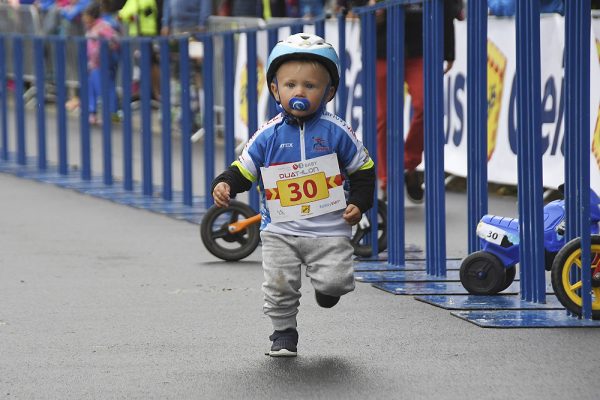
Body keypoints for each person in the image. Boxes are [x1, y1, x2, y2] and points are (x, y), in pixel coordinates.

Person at [211, 33, 375, 357]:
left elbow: (363, 170)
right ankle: (283, 333)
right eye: (290, 85)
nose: (299, 92)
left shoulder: (336, 131)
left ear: (329, 92)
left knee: (336, 283)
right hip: (280, 229)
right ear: (275, 89)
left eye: (310, 86)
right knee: (279, 285)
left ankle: (327, 287)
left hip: (329, 228)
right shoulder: (267, 134)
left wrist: (359, 202)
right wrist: (226, 183)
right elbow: (244, 169)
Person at [82, 0, 120, 124]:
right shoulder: (90, 27)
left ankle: (110, 113)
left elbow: (114, 40)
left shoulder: (103, 26)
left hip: (103, 63)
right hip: (93, 64)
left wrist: (104, 51)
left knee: (104, 87)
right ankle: (92, 112)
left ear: (92, 15)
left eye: (86, 15)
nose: (83, 18)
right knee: (92, 86)